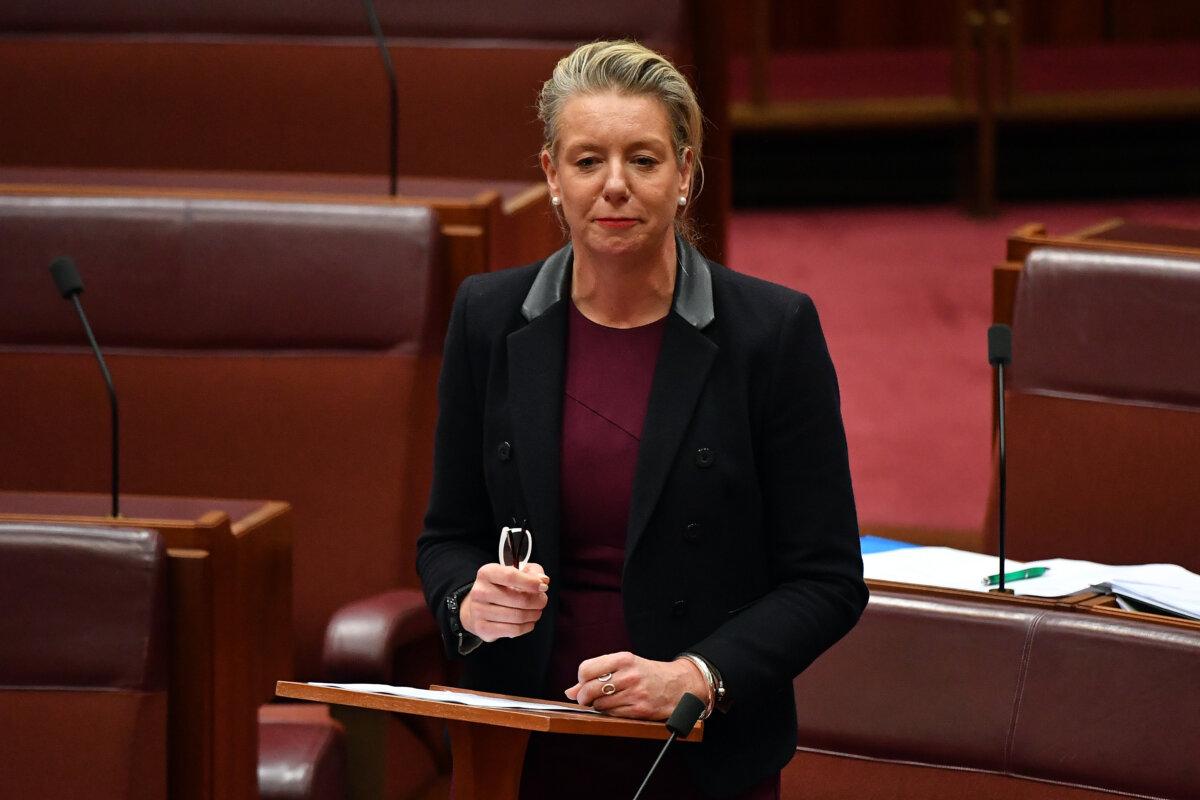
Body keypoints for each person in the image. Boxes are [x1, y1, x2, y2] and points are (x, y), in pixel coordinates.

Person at [417, 40, 867, 799]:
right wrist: (471, 601)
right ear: (551, 176)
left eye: (645, 160)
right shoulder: (487, 317)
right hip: (521, 749)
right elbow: (447, 537)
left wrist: (700, 676)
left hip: (696, 754)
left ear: (686, 174)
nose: (615, 187)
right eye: (589, 161)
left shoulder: (771, 331)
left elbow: (826, 581)